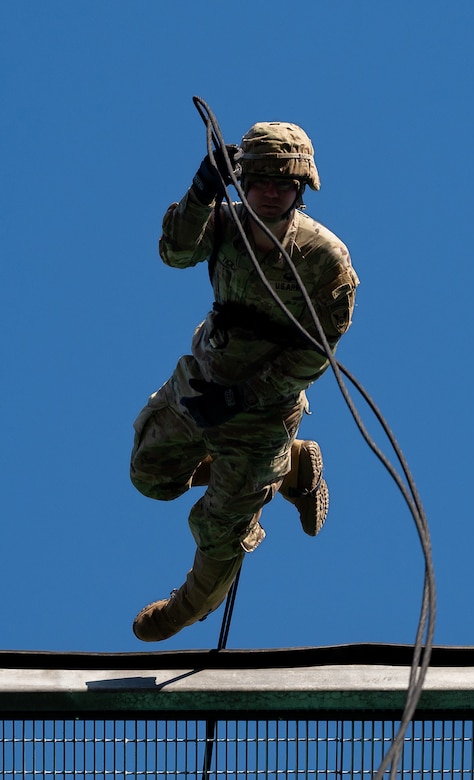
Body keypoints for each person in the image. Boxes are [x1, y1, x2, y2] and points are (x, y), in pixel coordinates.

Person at [131, 120, 360, 642]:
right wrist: (199, 193)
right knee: (150, 474)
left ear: (300, 190)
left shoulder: (326, 259)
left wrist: (241, 398)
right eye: (260, 182)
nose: (271, 193)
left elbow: (315, 353)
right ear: (243, 182)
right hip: (204, 377)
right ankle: (290, 468)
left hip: (262, 411)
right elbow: (175, 253)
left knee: (221, 530)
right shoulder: (225, 223)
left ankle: (188, 607)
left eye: (283, 184)